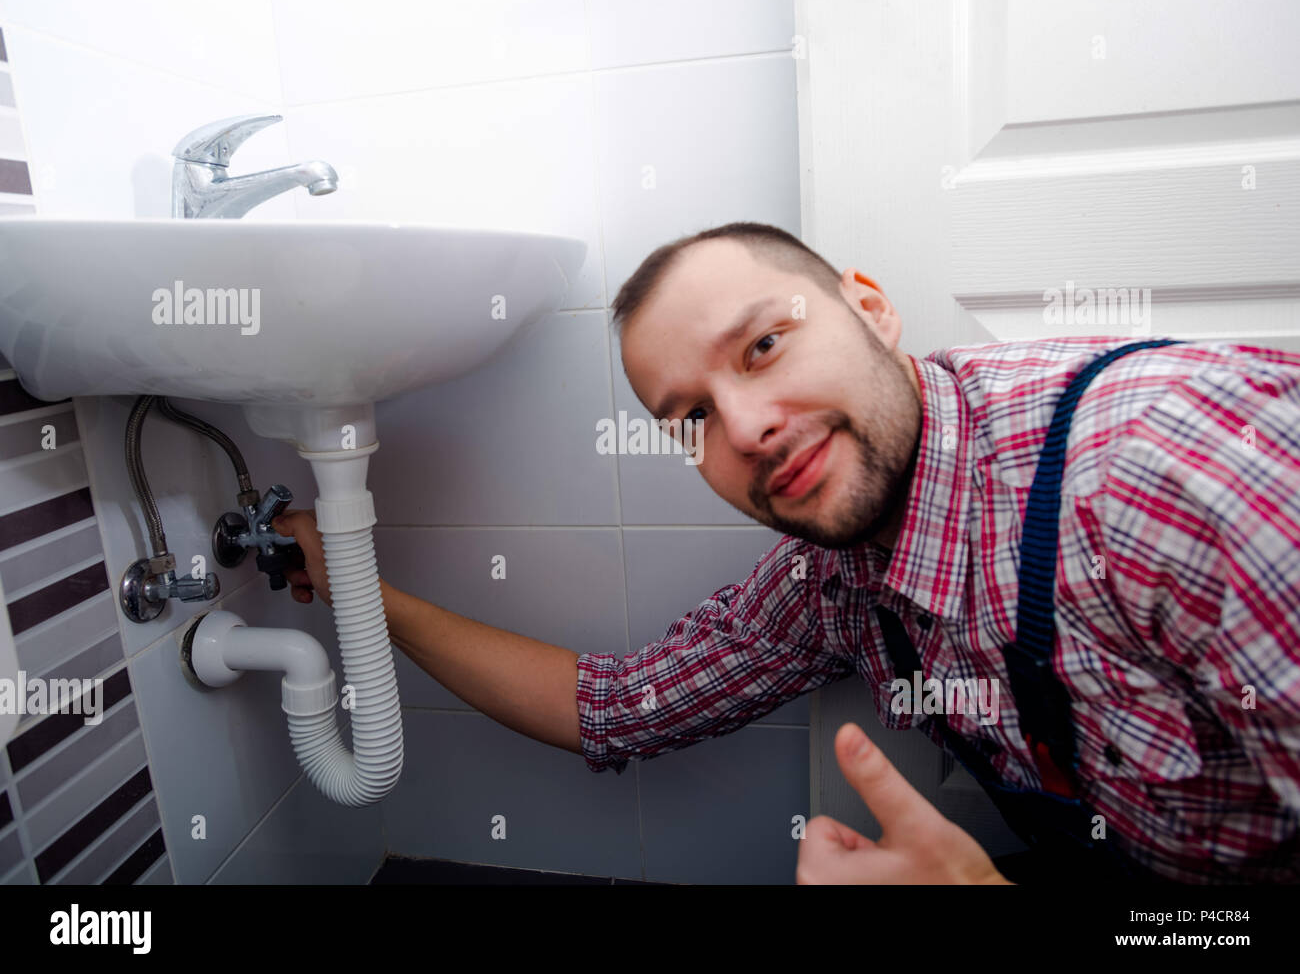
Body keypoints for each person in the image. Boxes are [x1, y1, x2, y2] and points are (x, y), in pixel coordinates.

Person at [273, 222, 1300, 884]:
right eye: (692, 418)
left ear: (869, 306)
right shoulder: (838, 579)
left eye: (763, 345)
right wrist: (362, 591)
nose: (750, 427)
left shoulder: (1163, 471)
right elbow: (621, 702)